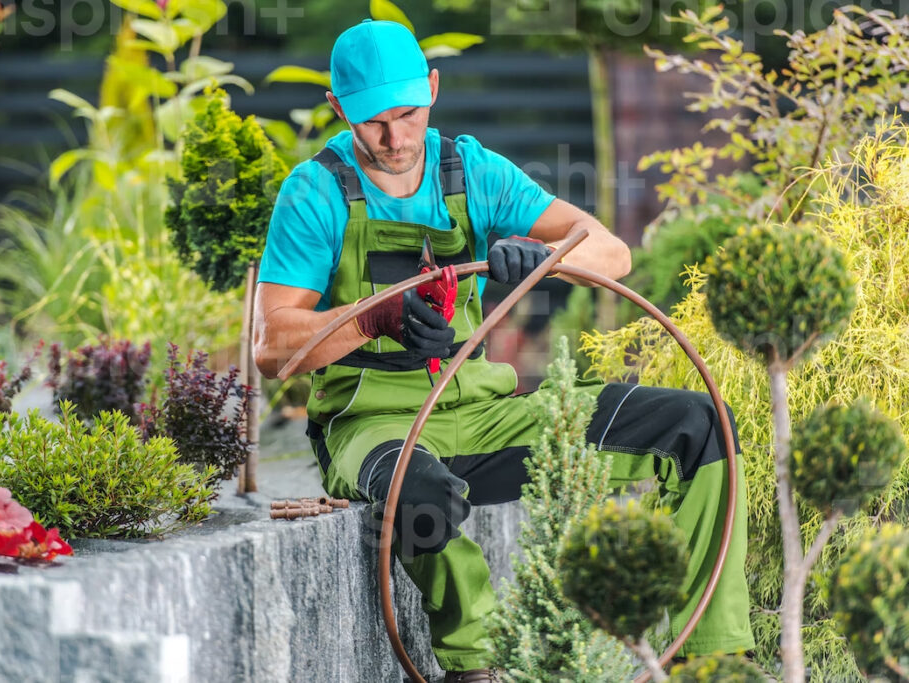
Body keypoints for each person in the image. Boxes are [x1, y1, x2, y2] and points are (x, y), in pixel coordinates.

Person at [253, 19, 754, 683]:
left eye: (408, 113)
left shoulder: (473, 170)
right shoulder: (315, 193)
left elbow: (614, 252)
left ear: (433, 89)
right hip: (374, 427)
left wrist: (542, 259)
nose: (397, 138)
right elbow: (274, 344)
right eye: (374, 122)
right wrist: (374, 318)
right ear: (339, 109)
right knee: (419, 488)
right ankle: (477, 666)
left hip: (490, 418)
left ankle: (714, 660)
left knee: (701, 424)